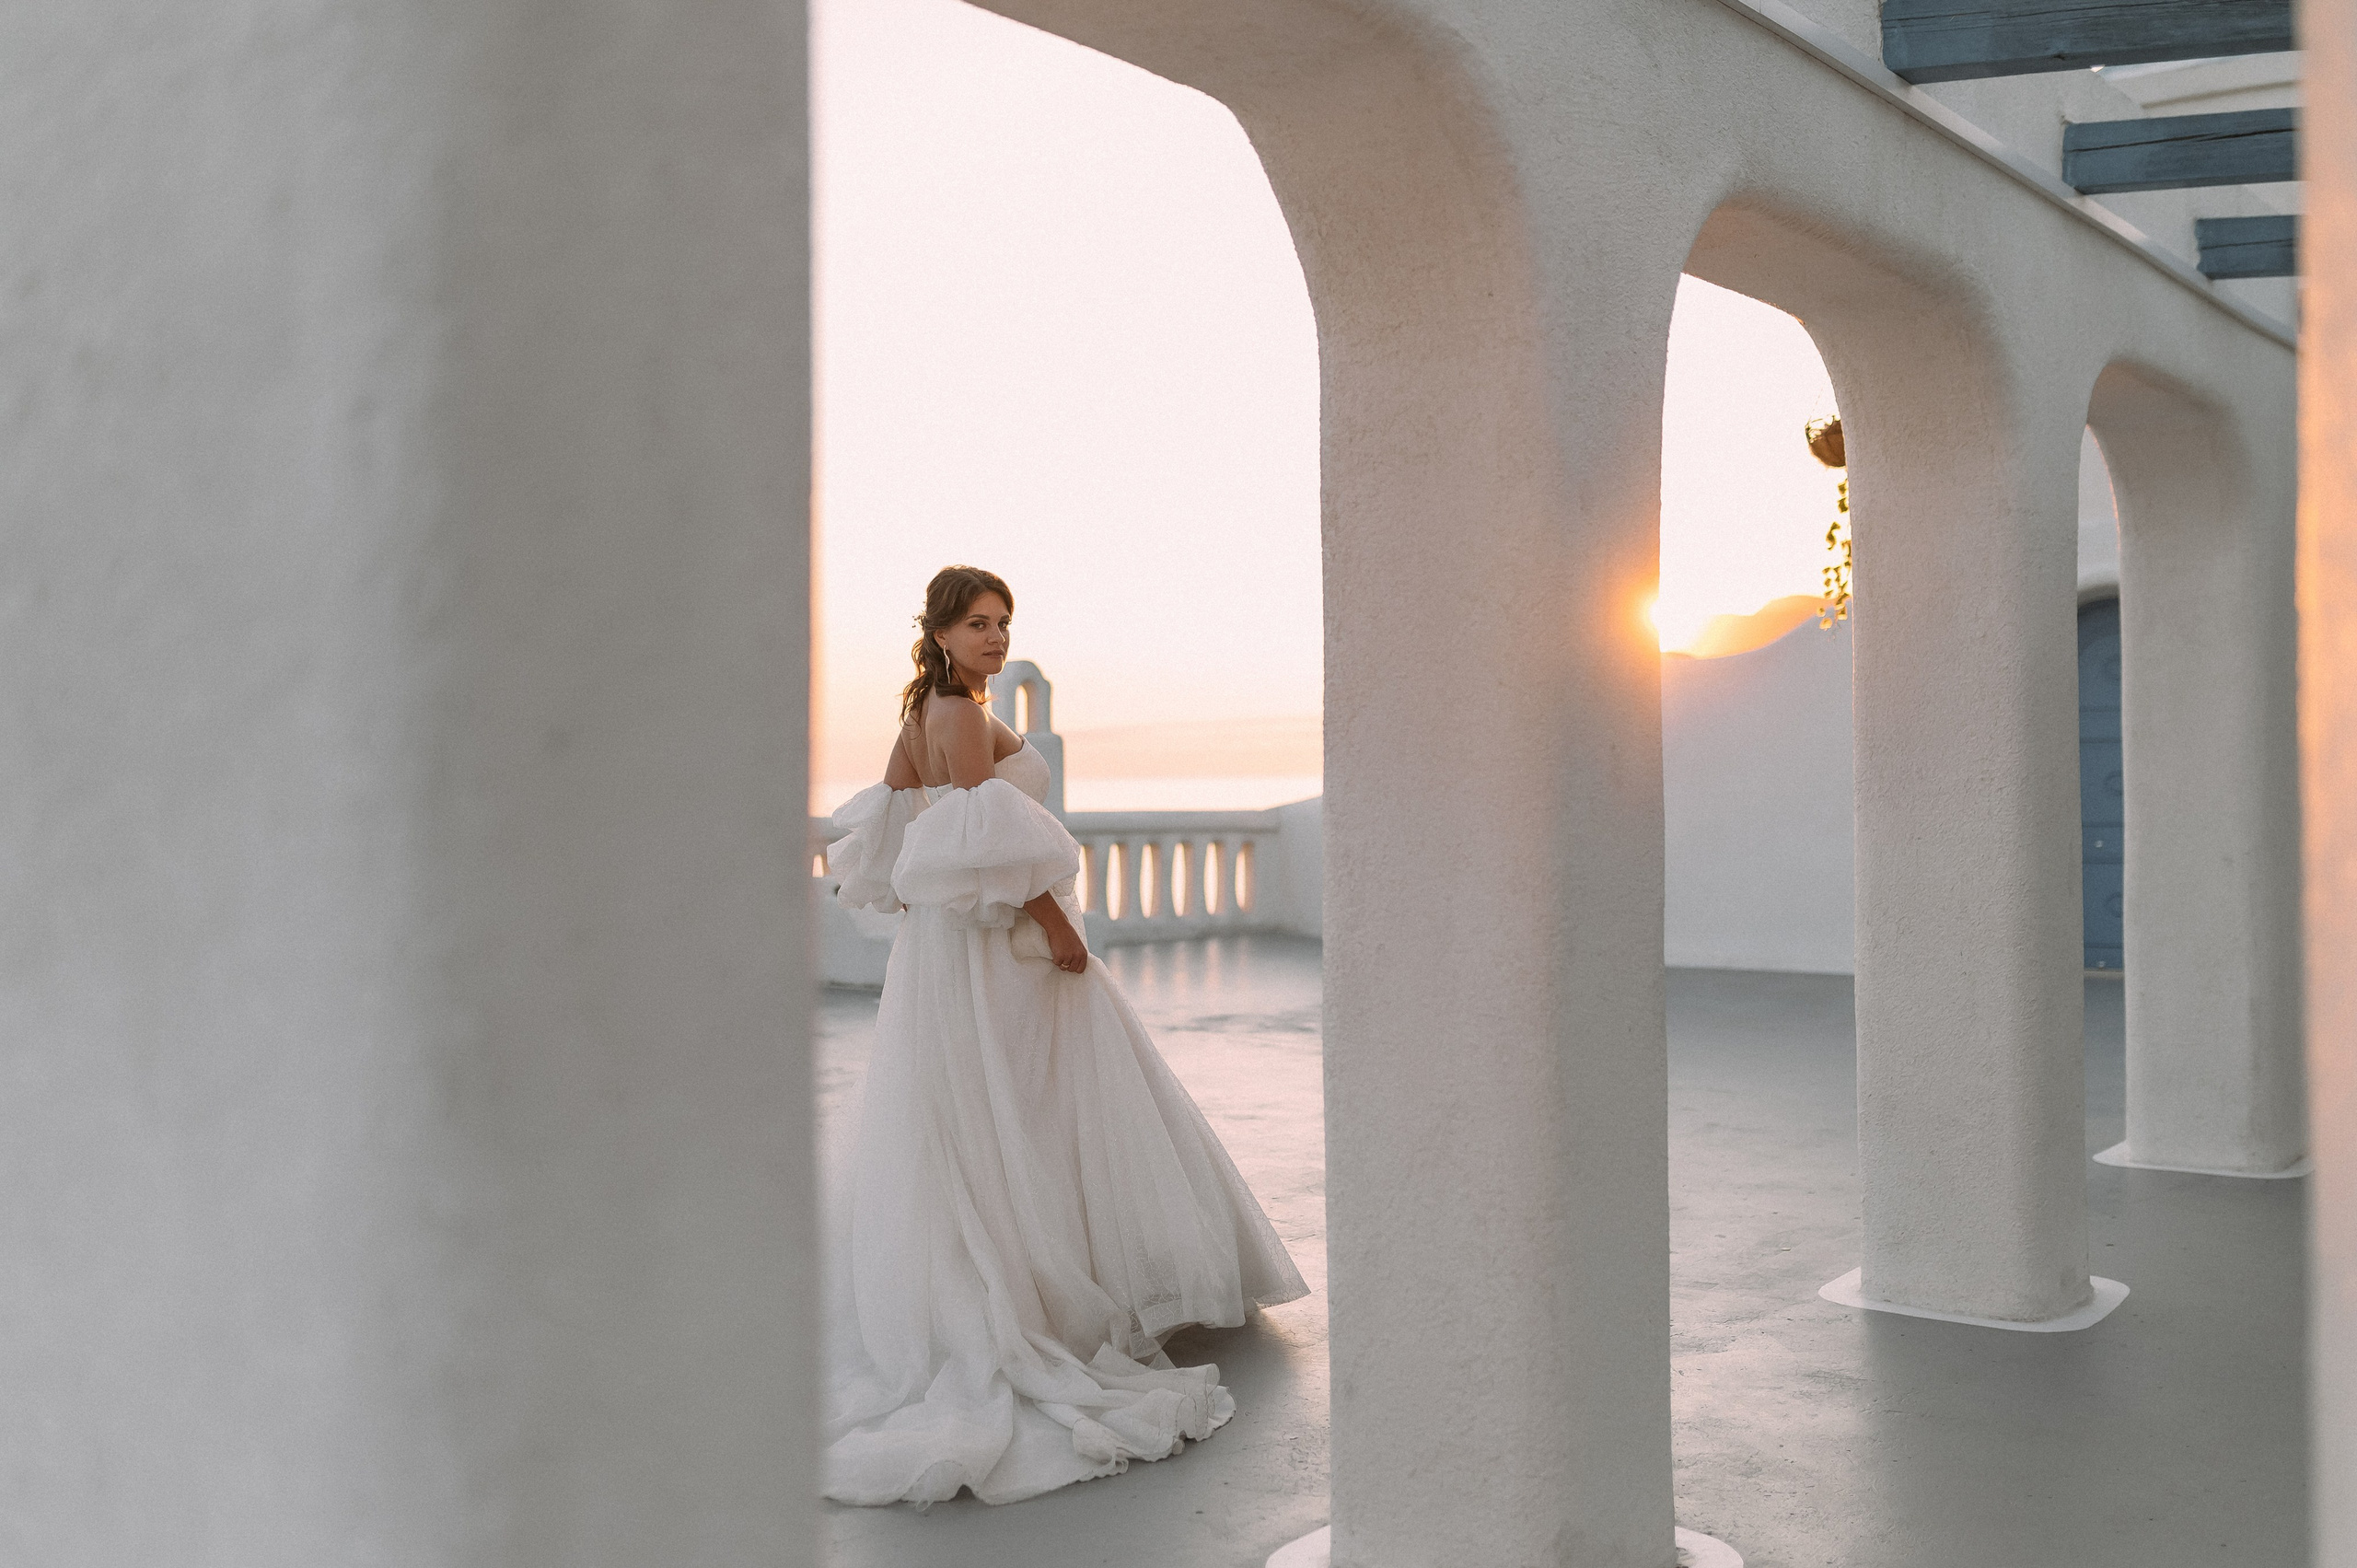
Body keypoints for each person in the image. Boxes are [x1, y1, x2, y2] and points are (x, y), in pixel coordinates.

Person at [821, 564, 1307, 1508]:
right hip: (995, 945)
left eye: (1004, 622)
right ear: (942, 631)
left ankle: (1021, 1276)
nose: (996, 637)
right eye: (978, 622)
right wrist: (1054, 920)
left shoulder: (924, 708)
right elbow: (981, 838)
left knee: (987, 1115)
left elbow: (886, 824)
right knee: (1029, 1108)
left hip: (945, 949)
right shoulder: (958, 710)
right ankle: (1034, 1296)